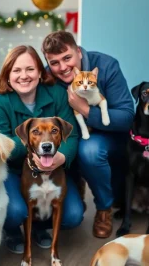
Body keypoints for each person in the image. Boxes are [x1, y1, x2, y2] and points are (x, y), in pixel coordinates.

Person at [0, 45, 84, 254]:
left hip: (52, 167)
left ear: (40, 72)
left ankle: (39, 227)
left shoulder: (57, 94)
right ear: (8, 75)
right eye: (16, 70)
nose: (24, 76)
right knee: (15, 212)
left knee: (73, 215)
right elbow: (1, 147)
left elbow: (72, 135)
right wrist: (35, 144)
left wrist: (61, 156)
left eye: (30, 69)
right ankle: (12, 231)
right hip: (13, 171)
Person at [42, 31, 134, 238]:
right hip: (69, 139)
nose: (63, 67)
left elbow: (127, 116)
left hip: (107, 138)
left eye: (67, 58)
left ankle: (103, 208)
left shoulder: (107, 66)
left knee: (89, 150)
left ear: (79, 52)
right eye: (54, 62)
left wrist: (85, 110)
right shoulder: (48, 77)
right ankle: (77, 182)